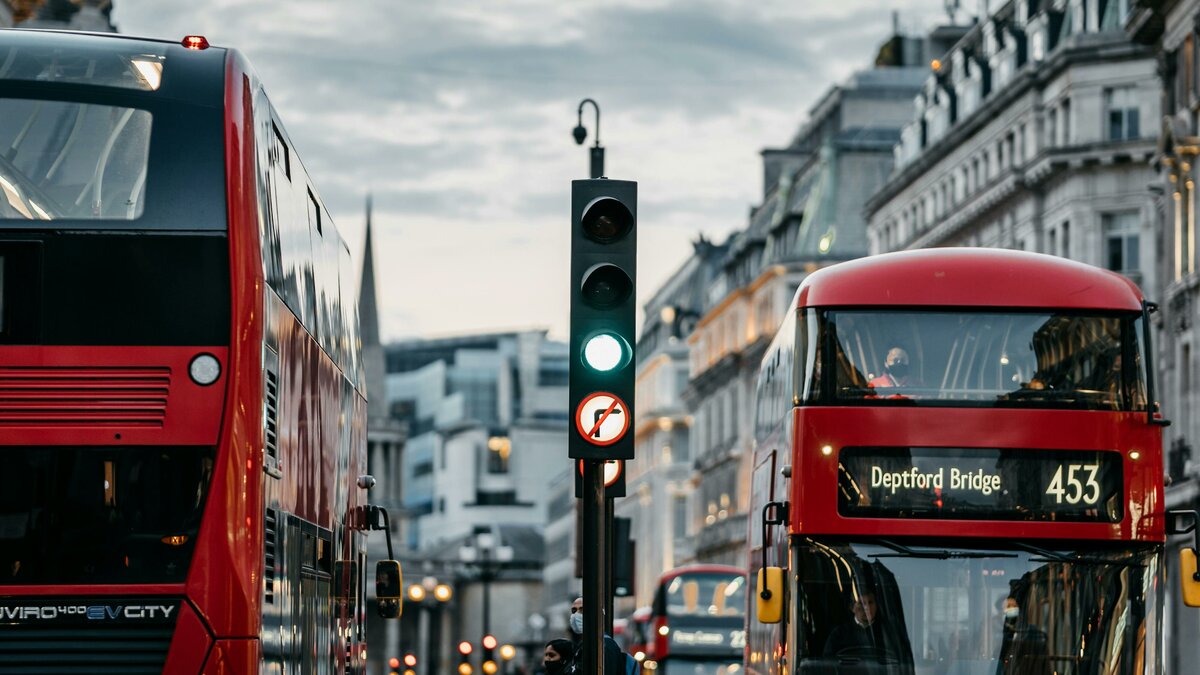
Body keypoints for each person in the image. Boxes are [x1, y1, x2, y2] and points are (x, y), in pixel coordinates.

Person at [822, 592, 905, 661]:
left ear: (876, 606)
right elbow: (828, 663)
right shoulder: (839, 634)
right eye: (861, 603)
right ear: (852, 607)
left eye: (870, 602)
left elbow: (901, 659)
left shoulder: (888, 633)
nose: (867, 608)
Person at [567, 596, 633, 675]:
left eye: (582, 610)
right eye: (574, 610)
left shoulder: (604, 644)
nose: (576, 615)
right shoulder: (584, 643)